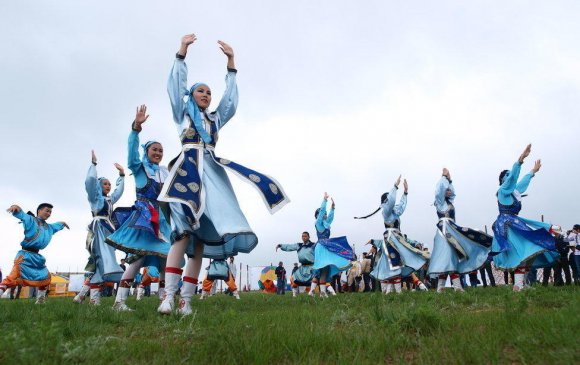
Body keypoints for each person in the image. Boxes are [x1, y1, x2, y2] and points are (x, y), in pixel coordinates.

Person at [157, 33, 289, 315]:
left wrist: (231, 64)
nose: (205, 95)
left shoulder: (215, 119)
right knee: (181, 234)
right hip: (186, 174)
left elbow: (230, 103)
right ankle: (168, 296)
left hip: (212, 177)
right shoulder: (183, 114)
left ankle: (187, 302)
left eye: (208, 92)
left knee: (201, 243)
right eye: (200, 91)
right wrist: (181, 52)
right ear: (191, 95)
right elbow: (174, 87)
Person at [106, 105, 172, 311]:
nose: (158, 153)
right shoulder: (140, 168)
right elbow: (132, 156)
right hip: (144, 219)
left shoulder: (164, 172)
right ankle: (119, 302)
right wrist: (136, 129)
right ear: (147, 151)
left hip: (161, 220)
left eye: (161, 150)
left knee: (165, 260)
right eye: (154, 149)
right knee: (137, 260)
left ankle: (164, 301)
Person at [491, 144, 558, 292]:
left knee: (531, 250)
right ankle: (518, 285)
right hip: (507, 227)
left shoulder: (514, 193)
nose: (510, 177)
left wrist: (533, 171)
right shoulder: (502, 191)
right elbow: (512, 180)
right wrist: (520, 160)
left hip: (516, 224)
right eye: (506, 175)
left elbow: (521, 182)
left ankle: (521, 283)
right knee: (522, 252)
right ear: (502, 180)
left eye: (510, 174)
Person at [356, 177, 428, 294]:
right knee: (393, 264)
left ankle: (395, 292)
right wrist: (395, 187)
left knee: (398, 263)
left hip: (397, 239)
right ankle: (395, 293)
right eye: (388, 201)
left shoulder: (395, 213)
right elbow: (391, 202)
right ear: (386, 202)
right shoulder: (386, 212)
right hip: (391, 241)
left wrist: (405, 192)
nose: (391, 203)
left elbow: (401, 207)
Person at [427, 168, 492, 293]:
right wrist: (444, 177)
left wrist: (450, 180)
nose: (449, 191)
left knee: (449, 257)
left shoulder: (449, 203)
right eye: (447, 190)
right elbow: (439, 190)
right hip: (443, 232)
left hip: (451, 230)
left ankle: (441, 287)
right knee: (448, 257)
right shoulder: (440, 203)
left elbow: (452, 193)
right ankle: (456, 286)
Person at [74, 150, 125, 306]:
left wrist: (122, 176)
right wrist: (94, 164)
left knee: (99, 263)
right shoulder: (95, 198)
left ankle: (82, 296)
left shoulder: (109, 200)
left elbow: (118, 192)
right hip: (98, 230)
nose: (108, 186)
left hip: (108, 231)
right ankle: (94, 299)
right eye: (105, 183)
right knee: (101, 261)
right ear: (98, 186)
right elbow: (90, 181)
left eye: (109, 184)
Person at [0, 204, 69, 303]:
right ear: (39, 211)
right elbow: (22, 214)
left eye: (50, 212)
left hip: (37, 257)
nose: (49, 213)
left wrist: (62, 223)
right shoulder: (31, 220)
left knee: (45, 277)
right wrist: (16, 207)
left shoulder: (49, 227)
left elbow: (56, 225)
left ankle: (40, 301)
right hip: (24, 255)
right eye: (47, 211)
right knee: (12, 278)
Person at [310, 193, 353, 297]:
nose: (324, 214)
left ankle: (322, 293)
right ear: (318, 215)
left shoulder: (325, 224)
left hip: (327, 247)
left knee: (325, 269)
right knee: (321, 269)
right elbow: (321, 214)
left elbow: (330, 218)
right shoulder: (318, 224)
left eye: (325, 213)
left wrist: (332, 208)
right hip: (321, 247)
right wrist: (325, 200)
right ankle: (317, 292)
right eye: (322, 213)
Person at [276, 232, 316, 297]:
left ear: (309, 237)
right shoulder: (299, 245)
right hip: (302, 267)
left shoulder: (313, 245)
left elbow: (320, 249)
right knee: (293, 278)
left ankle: (313, 294)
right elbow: (290, 246)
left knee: (314, 280)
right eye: (302, 236)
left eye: (305, 236)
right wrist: (281, 245)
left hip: (311, 267)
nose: (304, 237)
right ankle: (294, 295)